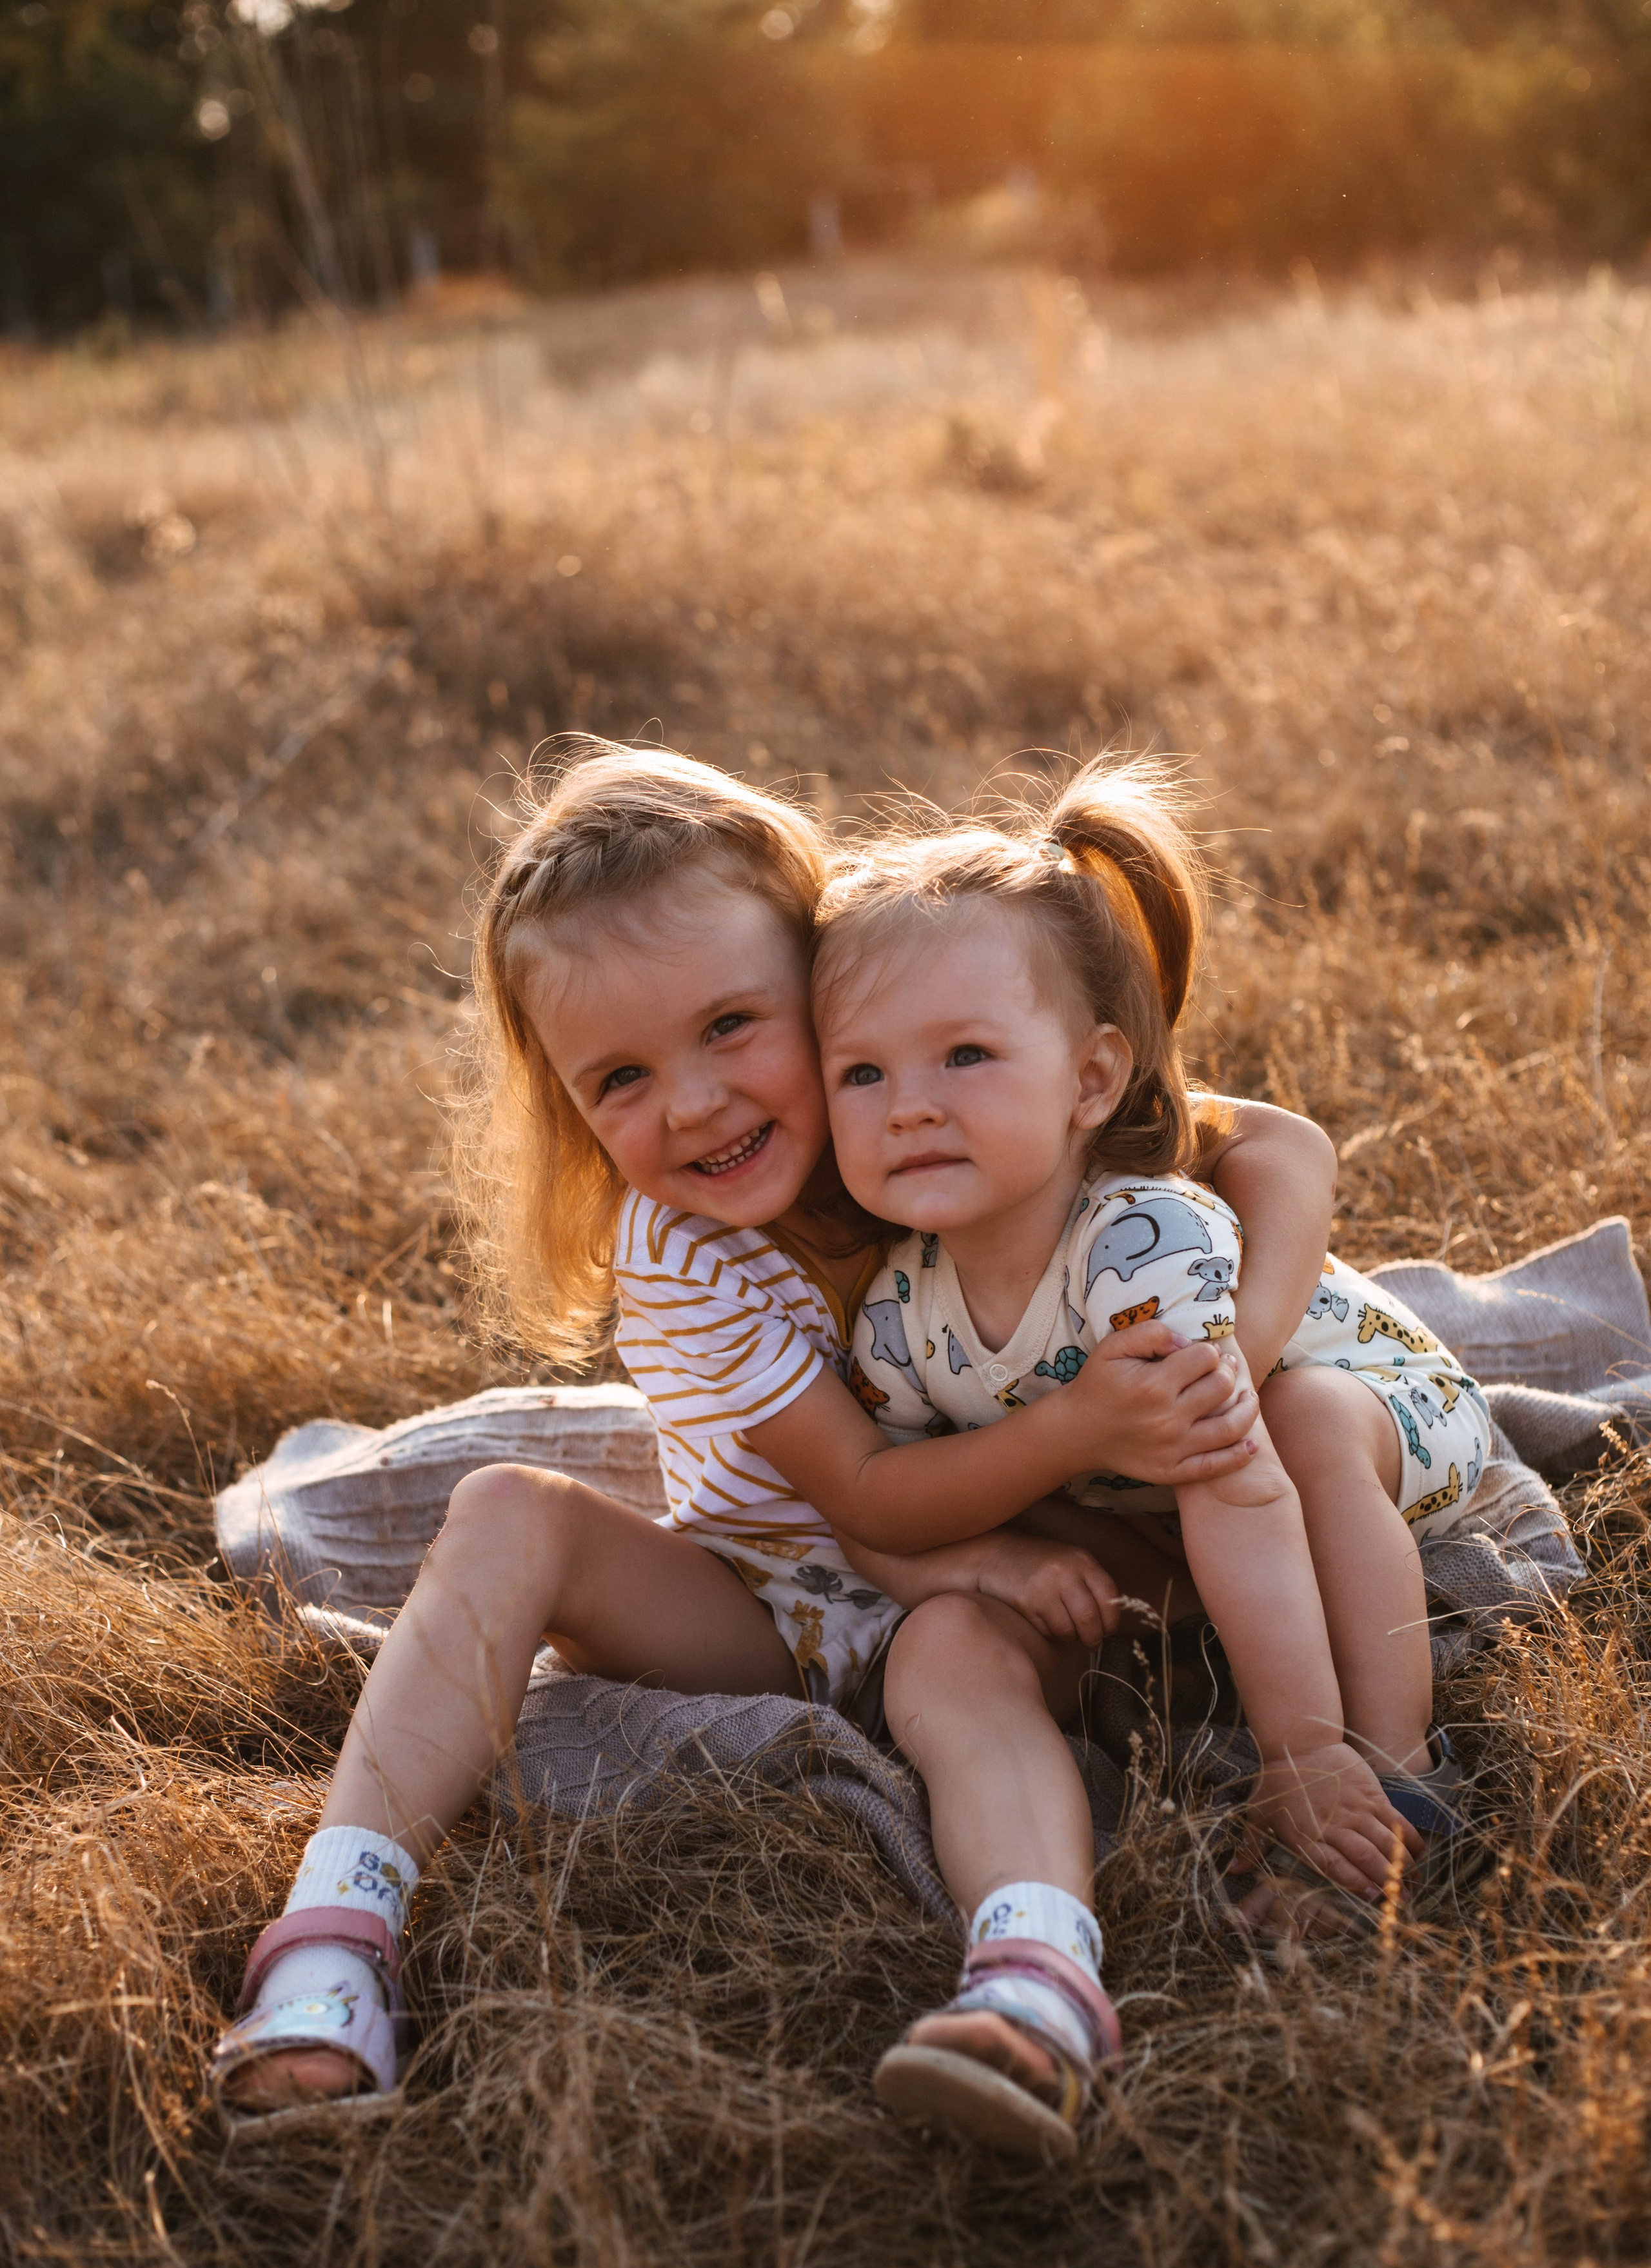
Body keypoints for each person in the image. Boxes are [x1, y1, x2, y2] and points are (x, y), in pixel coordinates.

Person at [212, 742, 1337, 2155]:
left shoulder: (930, 1105)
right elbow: (859, 1500)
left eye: (734, 1025)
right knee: (507, 1509)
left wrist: (1219, 1362)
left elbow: (1276, 1150)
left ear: (825, 982)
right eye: (619, 1077)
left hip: (1021, 1595)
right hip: (774, 1604)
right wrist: (1071, 1431)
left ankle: (1036, 1984)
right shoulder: (683, 1247)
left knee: (952, 1654)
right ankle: (331, 1942)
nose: (690, 1105)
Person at [810, 755, 1488, 2151]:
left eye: (965, 1056)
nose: (908, 1105)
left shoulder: (1140, 1244)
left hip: (1359, 1410)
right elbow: (876, 1515)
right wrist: (993, 1564)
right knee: (994, 1601)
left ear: (1089, 1080)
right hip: (1144, 1506)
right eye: (861, 1072)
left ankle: (1381, 1776)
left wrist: (1296, 1749)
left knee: (1285, 1426)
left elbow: (1231, 1486)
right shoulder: (896, 1317)